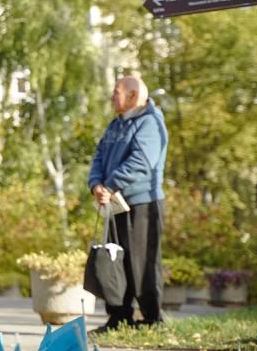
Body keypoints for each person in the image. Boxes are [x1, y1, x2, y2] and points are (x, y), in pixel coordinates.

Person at [87, 76, 168, 331]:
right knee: (115, 261)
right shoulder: (116, 125)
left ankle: (152, 319)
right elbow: (99, 156)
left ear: (133, 96)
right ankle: (119, 317)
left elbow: (141, 163)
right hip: (115, 204)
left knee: (142, 263)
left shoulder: (150, 123)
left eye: (116, 92)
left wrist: (109, 185)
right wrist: (96, 184)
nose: (112, 97)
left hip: (143, 204)